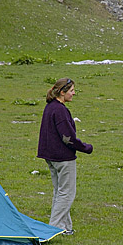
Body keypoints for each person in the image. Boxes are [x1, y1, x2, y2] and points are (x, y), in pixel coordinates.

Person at [37, 78, 93, 235]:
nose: (74, 93)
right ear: (62, 92)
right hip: (62, 157)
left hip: (50, 156)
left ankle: (65, 227)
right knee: (66, 193)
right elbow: (68, 137)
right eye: (71, 90)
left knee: (59, 191)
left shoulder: (50, 107)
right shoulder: (60, 110)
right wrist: (86, 148)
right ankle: (52, 228)